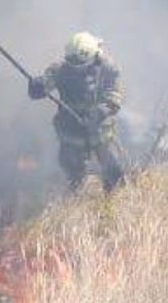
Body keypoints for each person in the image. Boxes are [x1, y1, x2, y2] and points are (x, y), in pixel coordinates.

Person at [28, 32, 126, 192]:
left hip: (101, 132)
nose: (77, 70)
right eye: (73, 65)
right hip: (71, 133)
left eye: (81, 66)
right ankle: (75, 199)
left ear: (94, 57)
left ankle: (115, 198)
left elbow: (114, 96)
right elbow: (44, 85)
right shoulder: (60, 69)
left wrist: (99, 112)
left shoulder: (108, 68)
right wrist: (38, 87)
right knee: (72, 173)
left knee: (114, 171)